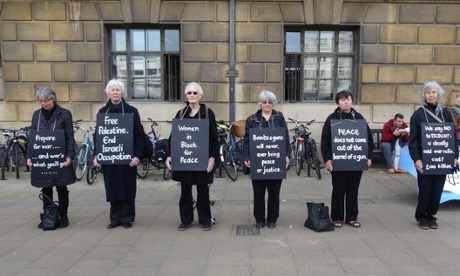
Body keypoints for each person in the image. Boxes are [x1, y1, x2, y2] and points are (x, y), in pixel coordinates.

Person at [165, 82, 218, 231]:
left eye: (195, 93)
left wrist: (212, 158)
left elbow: (215, 139)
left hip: (202, 159)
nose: (192, 95)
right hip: (185, 159)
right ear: (186, 96)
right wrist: (169, 155)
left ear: (200, 95)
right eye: (189, 93)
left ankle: (205, 220)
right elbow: (173, 137)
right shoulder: (181, 114)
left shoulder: (208, 113)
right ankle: (186, 219)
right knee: (185, 191)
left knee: (203, 191)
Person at [93, 79, 144, 229]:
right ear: (108, 92)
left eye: (118, 90)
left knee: (127, 187)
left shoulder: (131, 111)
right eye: (113, 90)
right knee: (113, 187)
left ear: (122, 92)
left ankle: (127, 217)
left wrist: (137, 155)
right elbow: (98, 136)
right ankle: (115, 218)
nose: (115, 92)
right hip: (110, 156)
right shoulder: (102, 112)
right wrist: (97, 155)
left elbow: (138, 135)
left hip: (127, 157)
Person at [409, 81, 458, 230]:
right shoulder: (418, 114)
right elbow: (413, 140)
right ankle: (421, 216)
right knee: (425, 190)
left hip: (442, 159)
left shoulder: (445, 113)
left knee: (437, 190)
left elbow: (452, 137)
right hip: (425, 160)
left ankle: (431, 215)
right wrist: (417, 159)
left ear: (439, 94)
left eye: (434, 92)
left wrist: (454, 156)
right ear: (424, 95)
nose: (431, 95)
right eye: (428, 92)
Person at [320, 90, 373, 228]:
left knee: (353, 189)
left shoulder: (359, 117)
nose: (346, 102)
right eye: (343, 100)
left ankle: (352, 217)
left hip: (356, 161)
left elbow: (368, 139)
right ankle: (337, 217)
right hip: (338, 161)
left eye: (348, 99)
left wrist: (369, 157)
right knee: (338, 189)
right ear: (338, 102)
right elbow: (325, 141)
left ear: (352, 101)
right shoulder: (332, 118)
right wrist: (327, 159)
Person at [27, 86, 76, 228]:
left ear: (53, 99)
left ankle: (64, 215)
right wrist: (30, 156)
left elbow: (70, 137)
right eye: (40, 101)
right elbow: (33, 137)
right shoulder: (37, 115)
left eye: (46, 100)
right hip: (43, 157)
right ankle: (48, 214)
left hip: (59, 156)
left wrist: (69, 156)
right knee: (46, 187)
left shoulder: (65, 114)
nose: (43, 103)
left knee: (61, 187)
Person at [242, 90, 291, 229]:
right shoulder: (252, 119)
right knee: (258, 193)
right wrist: (246, 157)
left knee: (274, 193)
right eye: (264, 102)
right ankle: (259, 219)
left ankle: (272, 219)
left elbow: (285, 137)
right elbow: (246, 141)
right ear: (260, 104)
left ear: (273, 103)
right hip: (258, 162)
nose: (267, 104)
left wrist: (287, 155)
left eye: (270, 102)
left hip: (275, 161)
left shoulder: (279, 117)